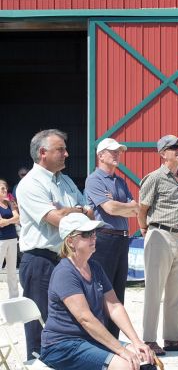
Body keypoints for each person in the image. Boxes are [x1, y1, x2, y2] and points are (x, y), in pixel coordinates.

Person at [40, 213, 154, 370]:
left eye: (94, 233)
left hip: (89, 339)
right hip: (62, 346)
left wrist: (136, 341)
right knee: (126, 366)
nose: (93, 237)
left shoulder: (95, 267)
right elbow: (85, 319)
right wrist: (121, 350)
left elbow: (114, 306)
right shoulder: (65, 272)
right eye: (86, 234)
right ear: (70, 241)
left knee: (147, 359)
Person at [16, 129, 93, 359]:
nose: (67, 154)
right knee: (40, 322)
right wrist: (74, 212)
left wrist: (70, 211)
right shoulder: (31, 184)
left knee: (68, 319)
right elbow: (57, 221)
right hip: (41, 261)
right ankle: (37, 360)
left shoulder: (66, 180)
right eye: (60, 150)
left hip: (65, 260)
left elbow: (89, 211)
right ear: (42, 153)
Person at [138, 135, 178, 356]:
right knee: (154, 290)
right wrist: (146, 230)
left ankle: (172, 338)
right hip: (160, 235)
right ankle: (149, 339)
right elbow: (142, 209)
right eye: (174, 147)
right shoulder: (153, 178)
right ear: (163, 154)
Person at [84, 137, 139, 338]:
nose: (117, 154)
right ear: (101, 155)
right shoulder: (94, 179)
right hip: (104, 239)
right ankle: (100, 339)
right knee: (101, 292)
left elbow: (136, 208)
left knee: (117, 291)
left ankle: (113, 339)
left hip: (122, 239)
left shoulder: (120, 181)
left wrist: (122, 207)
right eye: (113, 151)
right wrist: (125, 207)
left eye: (119, 151)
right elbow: (110, 208)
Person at [0, 178, 19, 298]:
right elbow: (0, 223)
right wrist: (11, 221)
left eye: (6, 187)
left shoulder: (10, 202)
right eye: (2, 188)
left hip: (12, 239)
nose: (5, 190)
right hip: (0, 240)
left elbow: (18, 218)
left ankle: (14, 298)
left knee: (12, 272)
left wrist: (7, 221)